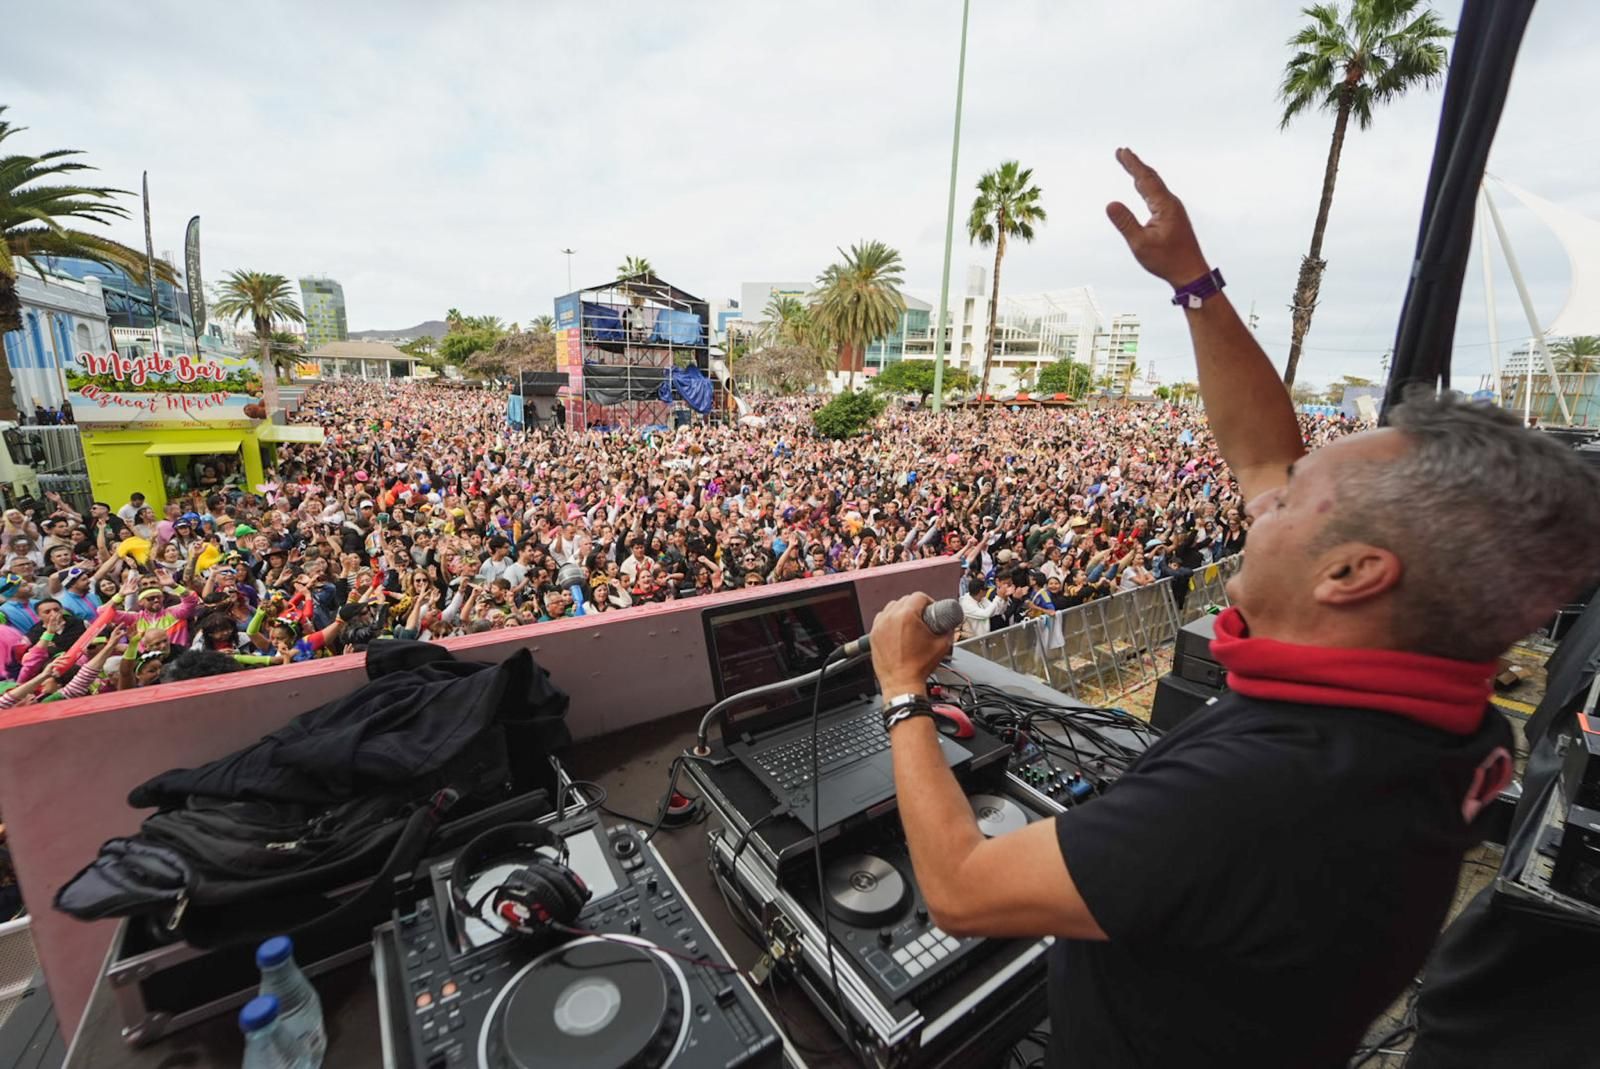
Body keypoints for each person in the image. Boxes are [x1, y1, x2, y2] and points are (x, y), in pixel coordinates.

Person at [862, 147, 1600, 1069]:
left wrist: (900, 690)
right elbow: (1261, 455)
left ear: (1352, 575)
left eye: (1295, 499)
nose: (1262, 498)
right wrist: (1193, 282)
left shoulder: (1266, 795)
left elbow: (964, 887)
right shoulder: (1446, 712)